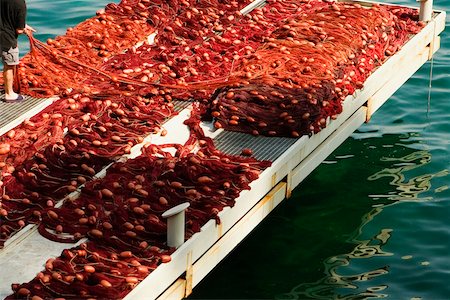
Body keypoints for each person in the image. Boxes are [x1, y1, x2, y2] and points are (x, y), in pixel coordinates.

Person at [1, 0, 35, 103]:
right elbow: (19, 30)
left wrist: (24, 25)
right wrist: (23, 28)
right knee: (9, 65)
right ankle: (9, 94)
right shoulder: (20, 4)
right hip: (7, 39)